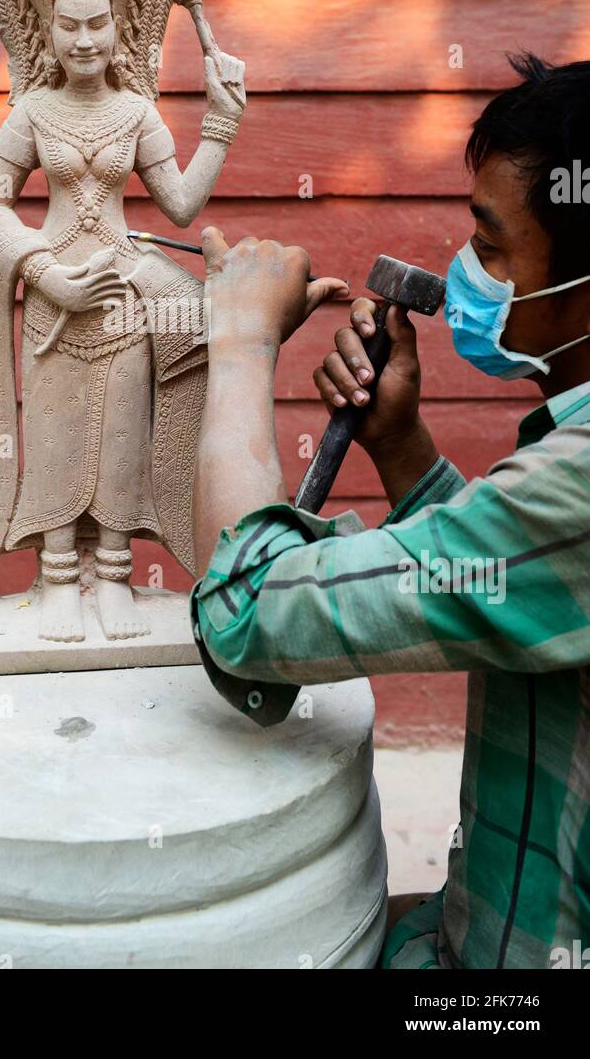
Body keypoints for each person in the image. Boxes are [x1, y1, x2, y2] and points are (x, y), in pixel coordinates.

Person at [190, 55, 590, 969]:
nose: (465, 277)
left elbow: (246, 612)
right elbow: (516, 583)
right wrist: (400, 445)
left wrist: (241, 342)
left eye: (492, 250)